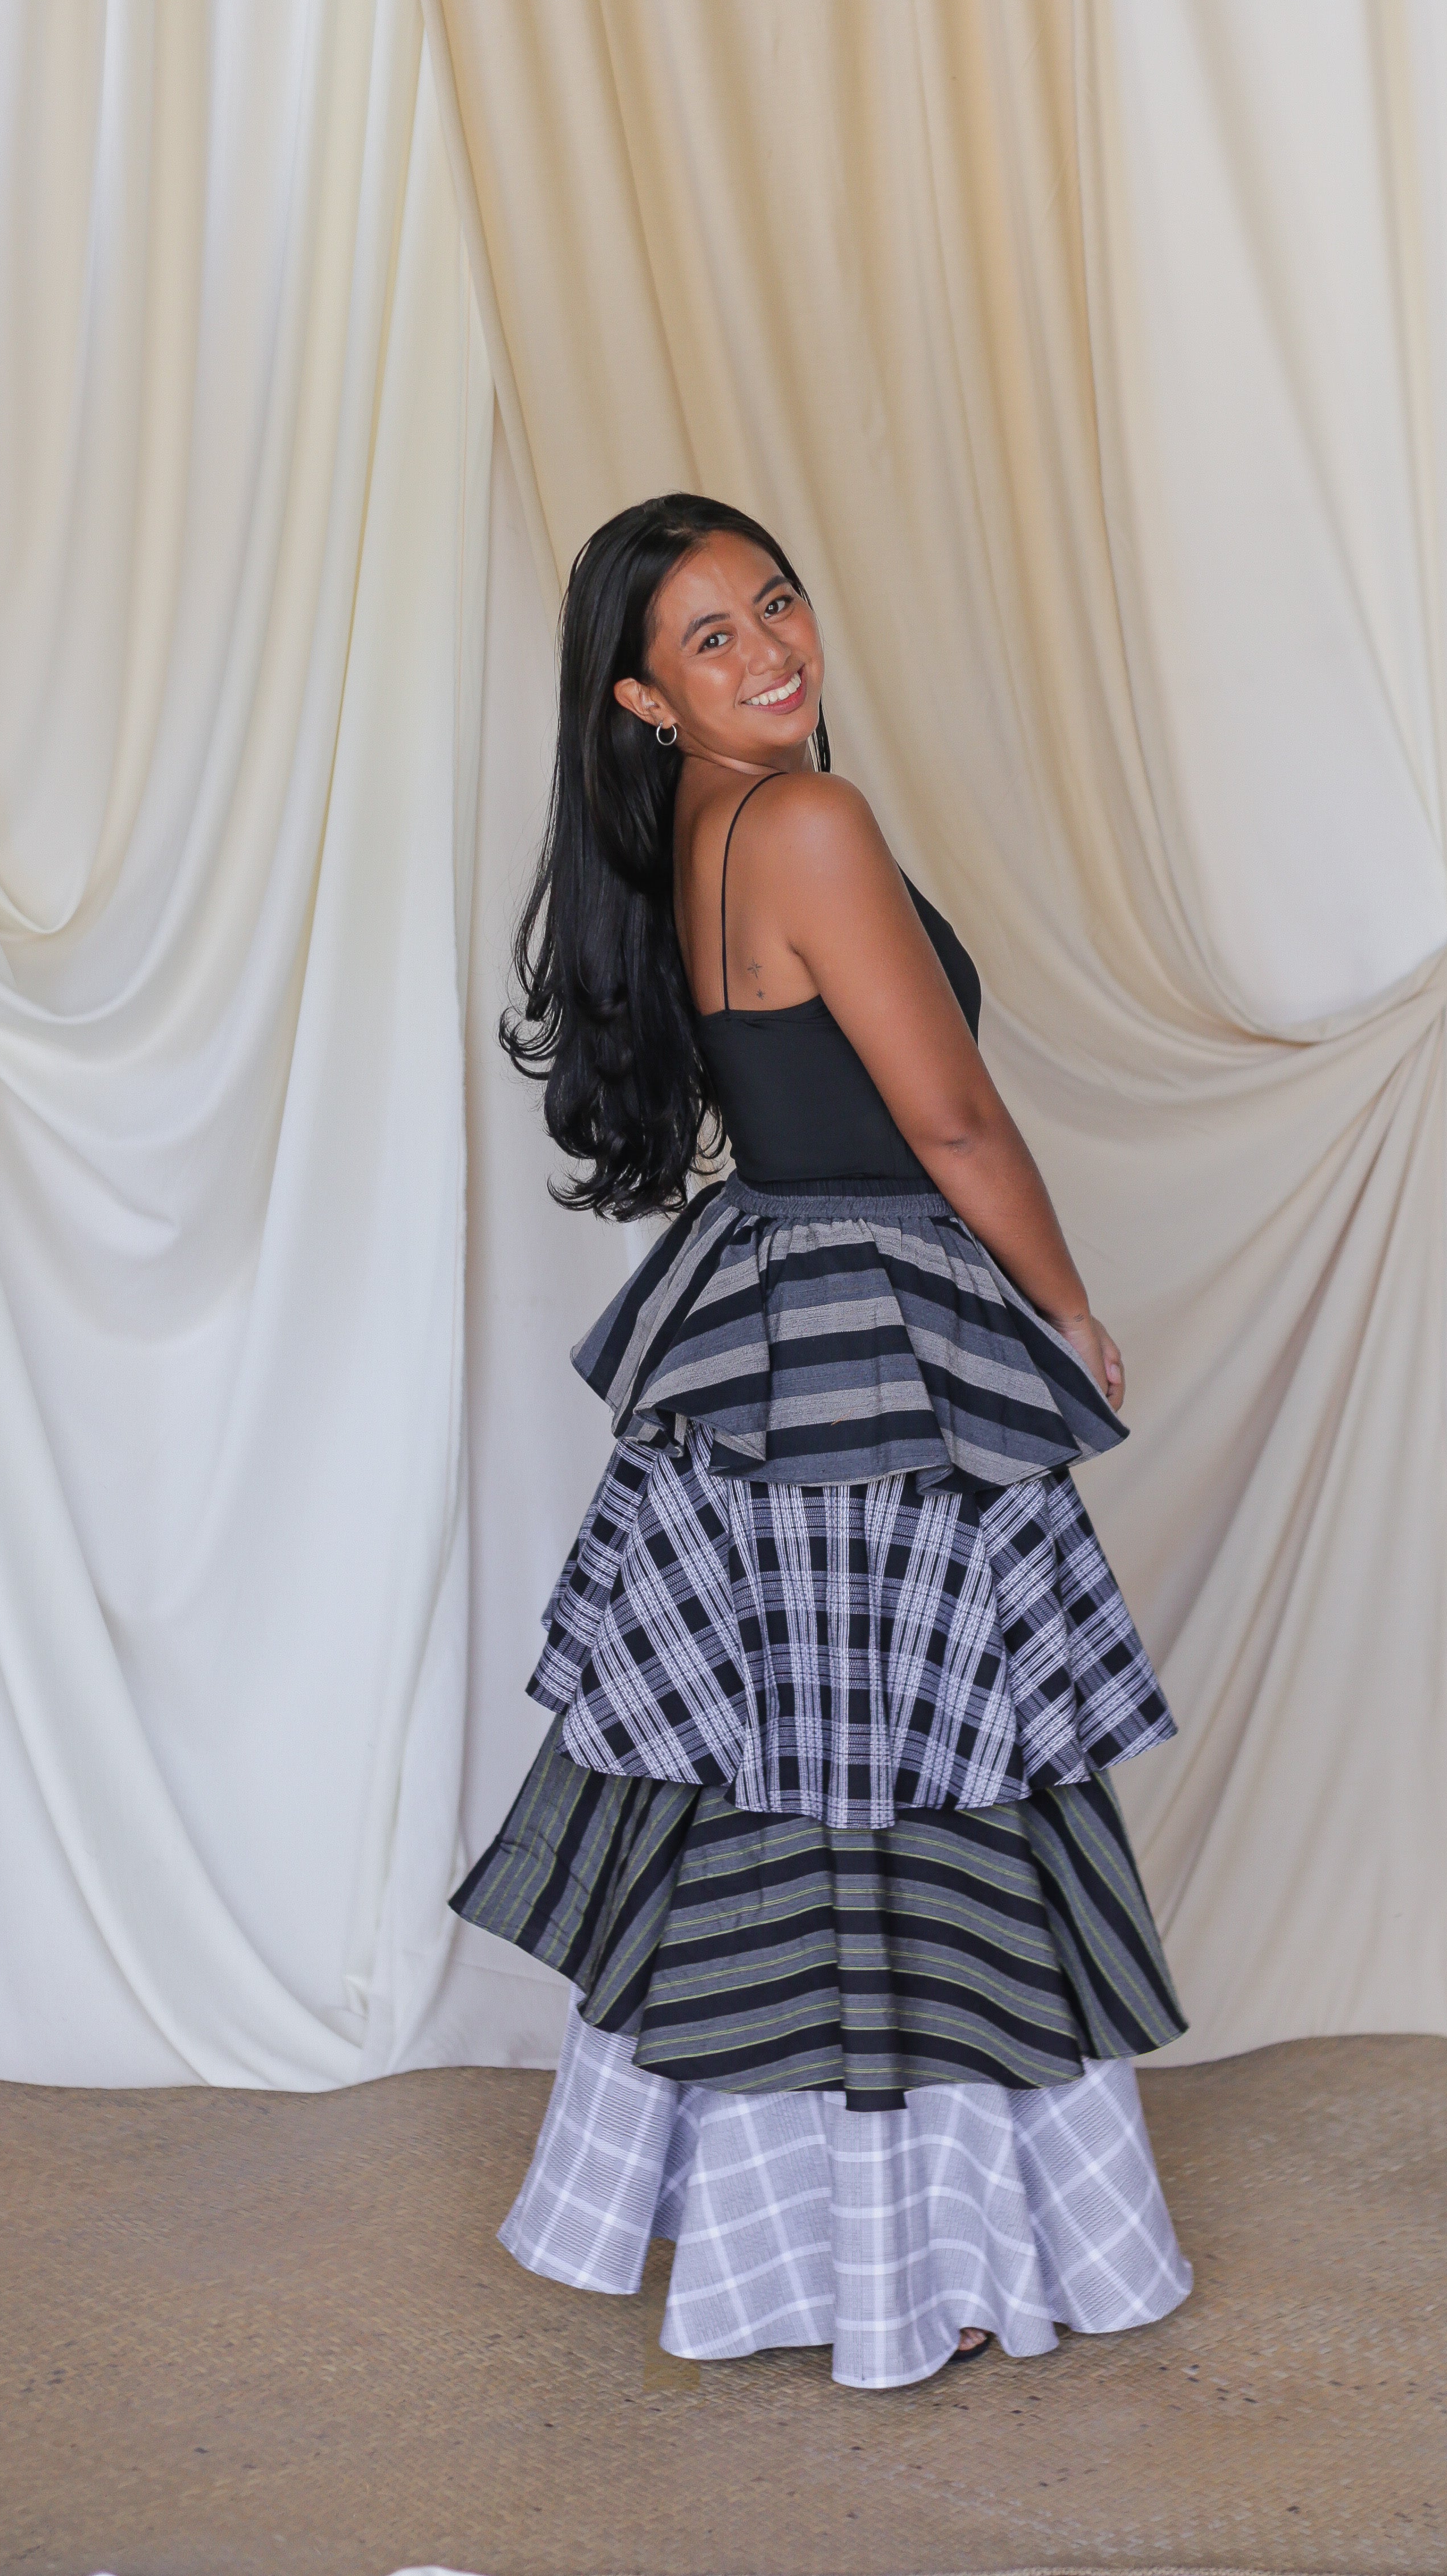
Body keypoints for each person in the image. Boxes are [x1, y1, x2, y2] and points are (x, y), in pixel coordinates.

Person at [452, 493, 1192, 2390]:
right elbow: (950, 1119)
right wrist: (1066, 1308)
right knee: (922, 1771)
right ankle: (930, 2256)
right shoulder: (805, 821)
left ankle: (811, 2244)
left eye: (774, 602)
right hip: (880, 1328)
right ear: (643, 697)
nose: (772, 649)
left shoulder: (701, 833)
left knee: (792, 1775)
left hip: (769, 1315)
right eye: (711, 637)